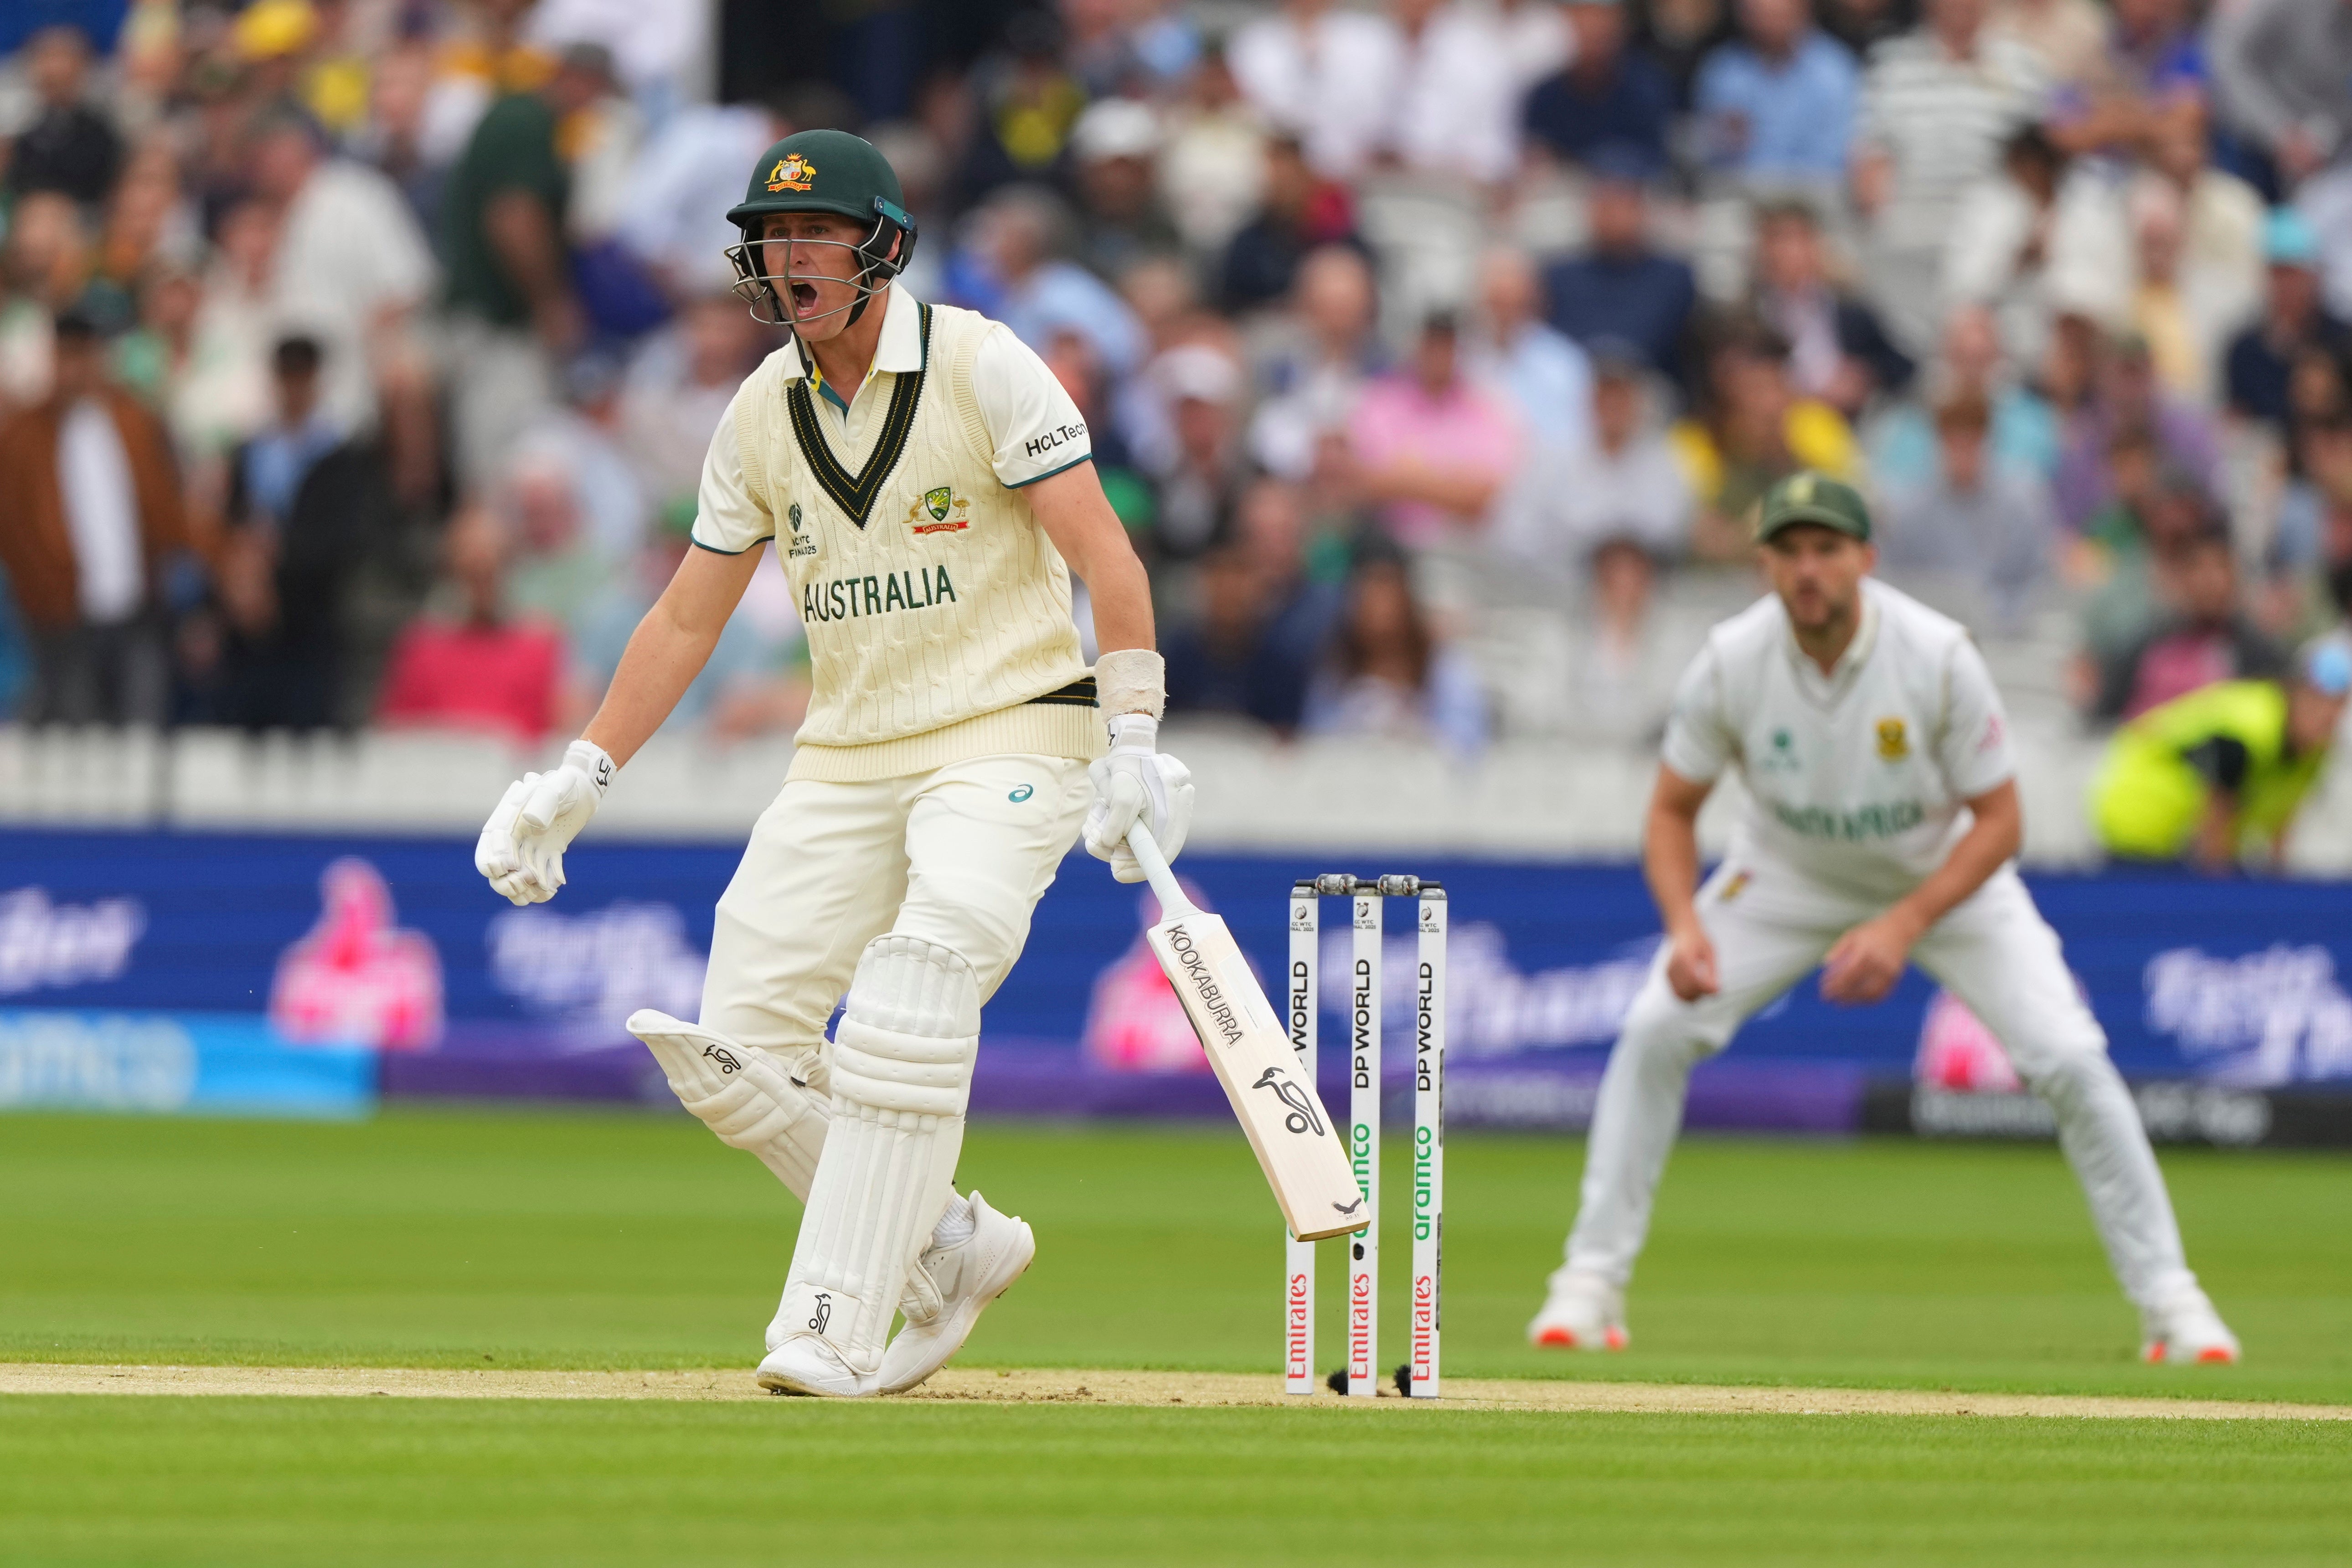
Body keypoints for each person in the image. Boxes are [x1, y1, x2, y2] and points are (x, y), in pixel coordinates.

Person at [471, 130, 1187, 1400]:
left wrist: (1133, 733)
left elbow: (1108, 561)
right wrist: (580, 774)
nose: (785, 257)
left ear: (882, 249)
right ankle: (950, 1249)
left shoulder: (980, 364)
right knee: (732, 1049)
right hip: (846, 753)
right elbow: (687, 615)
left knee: (920, 980)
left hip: (1014, 727)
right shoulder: (758, 411)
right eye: (771, 237)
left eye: (813, 235)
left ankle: (833, 1326)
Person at [1528, 471, 2241, 1366]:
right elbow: (1672, 810)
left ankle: (2174, 1304)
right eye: (1789, 551)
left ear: (1865, 558)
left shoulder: (1937, 654)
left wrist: (1903, 924)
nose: (1808, 569)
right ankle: (1588, 1285)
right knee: (1656, 1026)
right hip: (1786, 872)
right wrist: (1684, 926)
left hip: (1943, 877)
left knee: (2068, 1056)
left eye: (1827, 549)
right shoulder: (1732, 659)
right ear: (1766, 566)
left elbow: (2002, 822)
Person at [0, 310, 191, 725]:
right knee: (79, 740)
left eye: (83, 356)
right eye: (65, 357)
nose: (75, 369)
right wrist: (40, 588)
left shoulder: (133, 420)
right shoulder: (26, 434)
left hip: (135, 610)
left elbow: (167, 505)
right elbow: (12, 527)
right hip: (63, 619)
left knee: (141, 732)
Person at [2090, 635, 2352, 868]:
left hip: (2180, 839)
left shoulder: (2315, 750)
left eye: (2338, 704)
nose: (2327, 714)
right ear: (2294, 691)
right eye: (2317, 700)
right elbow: (2215, 831)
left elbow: (2281, 829)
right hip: (2139, 812)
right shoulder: (2249, 730)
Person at [1304, 549, 1487, 756]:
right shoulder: (1336, 670)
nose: (1381, 612)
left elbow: (1467, 741)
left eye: (1389, 600)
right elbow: (1317, 738)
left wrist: (1410, 733)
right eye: (1370, 601)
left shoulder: (1444, 667)